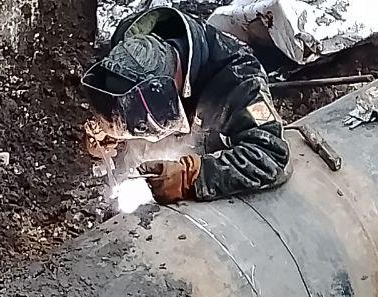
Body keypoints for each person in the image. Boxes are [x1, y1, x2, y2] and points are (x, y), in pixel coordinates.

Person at [81, 7, 291, 204]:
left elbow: (270, 156)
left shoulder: (242, 82)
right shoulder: (130, 47)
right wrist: (112, 126)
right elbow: (123, 92)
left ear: (167, 89)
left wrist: (192, 176)